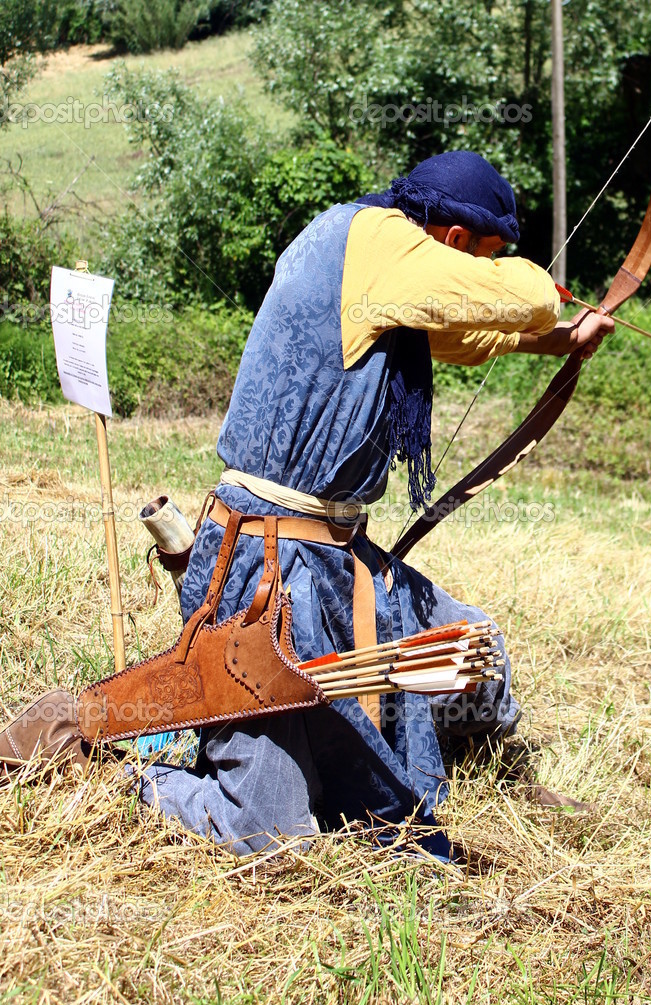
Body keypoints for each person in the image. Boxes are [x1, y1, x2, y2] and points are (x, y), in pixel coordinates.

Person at [0, 151, 613, 858]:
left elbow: (466, 336)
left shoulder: (372, 263)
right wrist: (549, 295)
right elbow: (518, 298)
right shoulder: (377, 240)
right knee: (265, 827)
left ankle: (487, 765)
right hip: (266, 568)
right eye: (486, 254)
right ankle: (101, 760)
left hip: (332, 556)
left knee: (473, 648)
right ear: (450, 241)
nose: (488, 267)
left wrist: (561, 341)